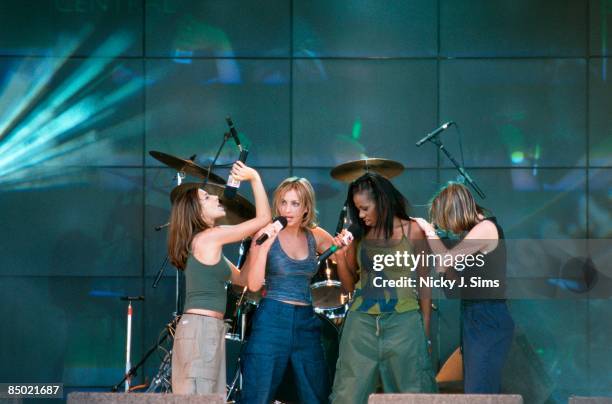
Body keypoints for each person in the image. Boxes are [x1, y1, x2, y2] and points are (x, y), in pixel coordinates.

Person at [331, 173, 438, 404]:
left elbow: (424, 282)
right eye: (357, 209)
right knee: (347, 394)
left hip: (404, 323)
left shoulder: (413, 231)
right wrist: (340, 257)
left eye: (365, 208)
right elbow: (349, 287)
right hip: (361, 324)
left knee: (414, 392)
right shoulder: (359, 235)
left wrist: (425, 331)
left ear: (381, 201)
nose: (360, 215)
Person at [167, 161, 271, 395]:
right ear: (196, 211)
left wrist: (257, 248)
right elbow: (263, 217)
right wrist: (253, 177)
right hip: (200, 330)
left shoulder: (209, 245)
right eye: (206, 198)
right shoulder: (208, 238)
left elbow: (243, 280)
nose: (216, 198)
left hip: (208, 329)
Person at [240, 177, 337, 404]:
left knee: (316, 395)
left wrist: (342, 245)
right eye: (283, 202)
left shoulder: (315, 235)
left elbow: (338, 251)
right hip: (272, 319)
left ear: (306, 207)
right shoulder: (265, 234)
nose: (288, 209)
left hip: (306, 322)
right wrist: (262, 249)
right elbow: (253, 285)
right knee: (257, 395)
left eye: (295, 203)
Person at [412, 182, 514, 393]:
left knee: (480, 390)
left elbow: (447, 259)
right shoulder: (472, 235)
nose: (447, 228)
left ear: (455, 211)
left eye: (445, 221)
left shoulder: (486, 229)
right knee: (475, 389)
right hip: (474, 315)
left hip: (488, 316)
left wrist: (430, 231)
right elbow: (455, 284)